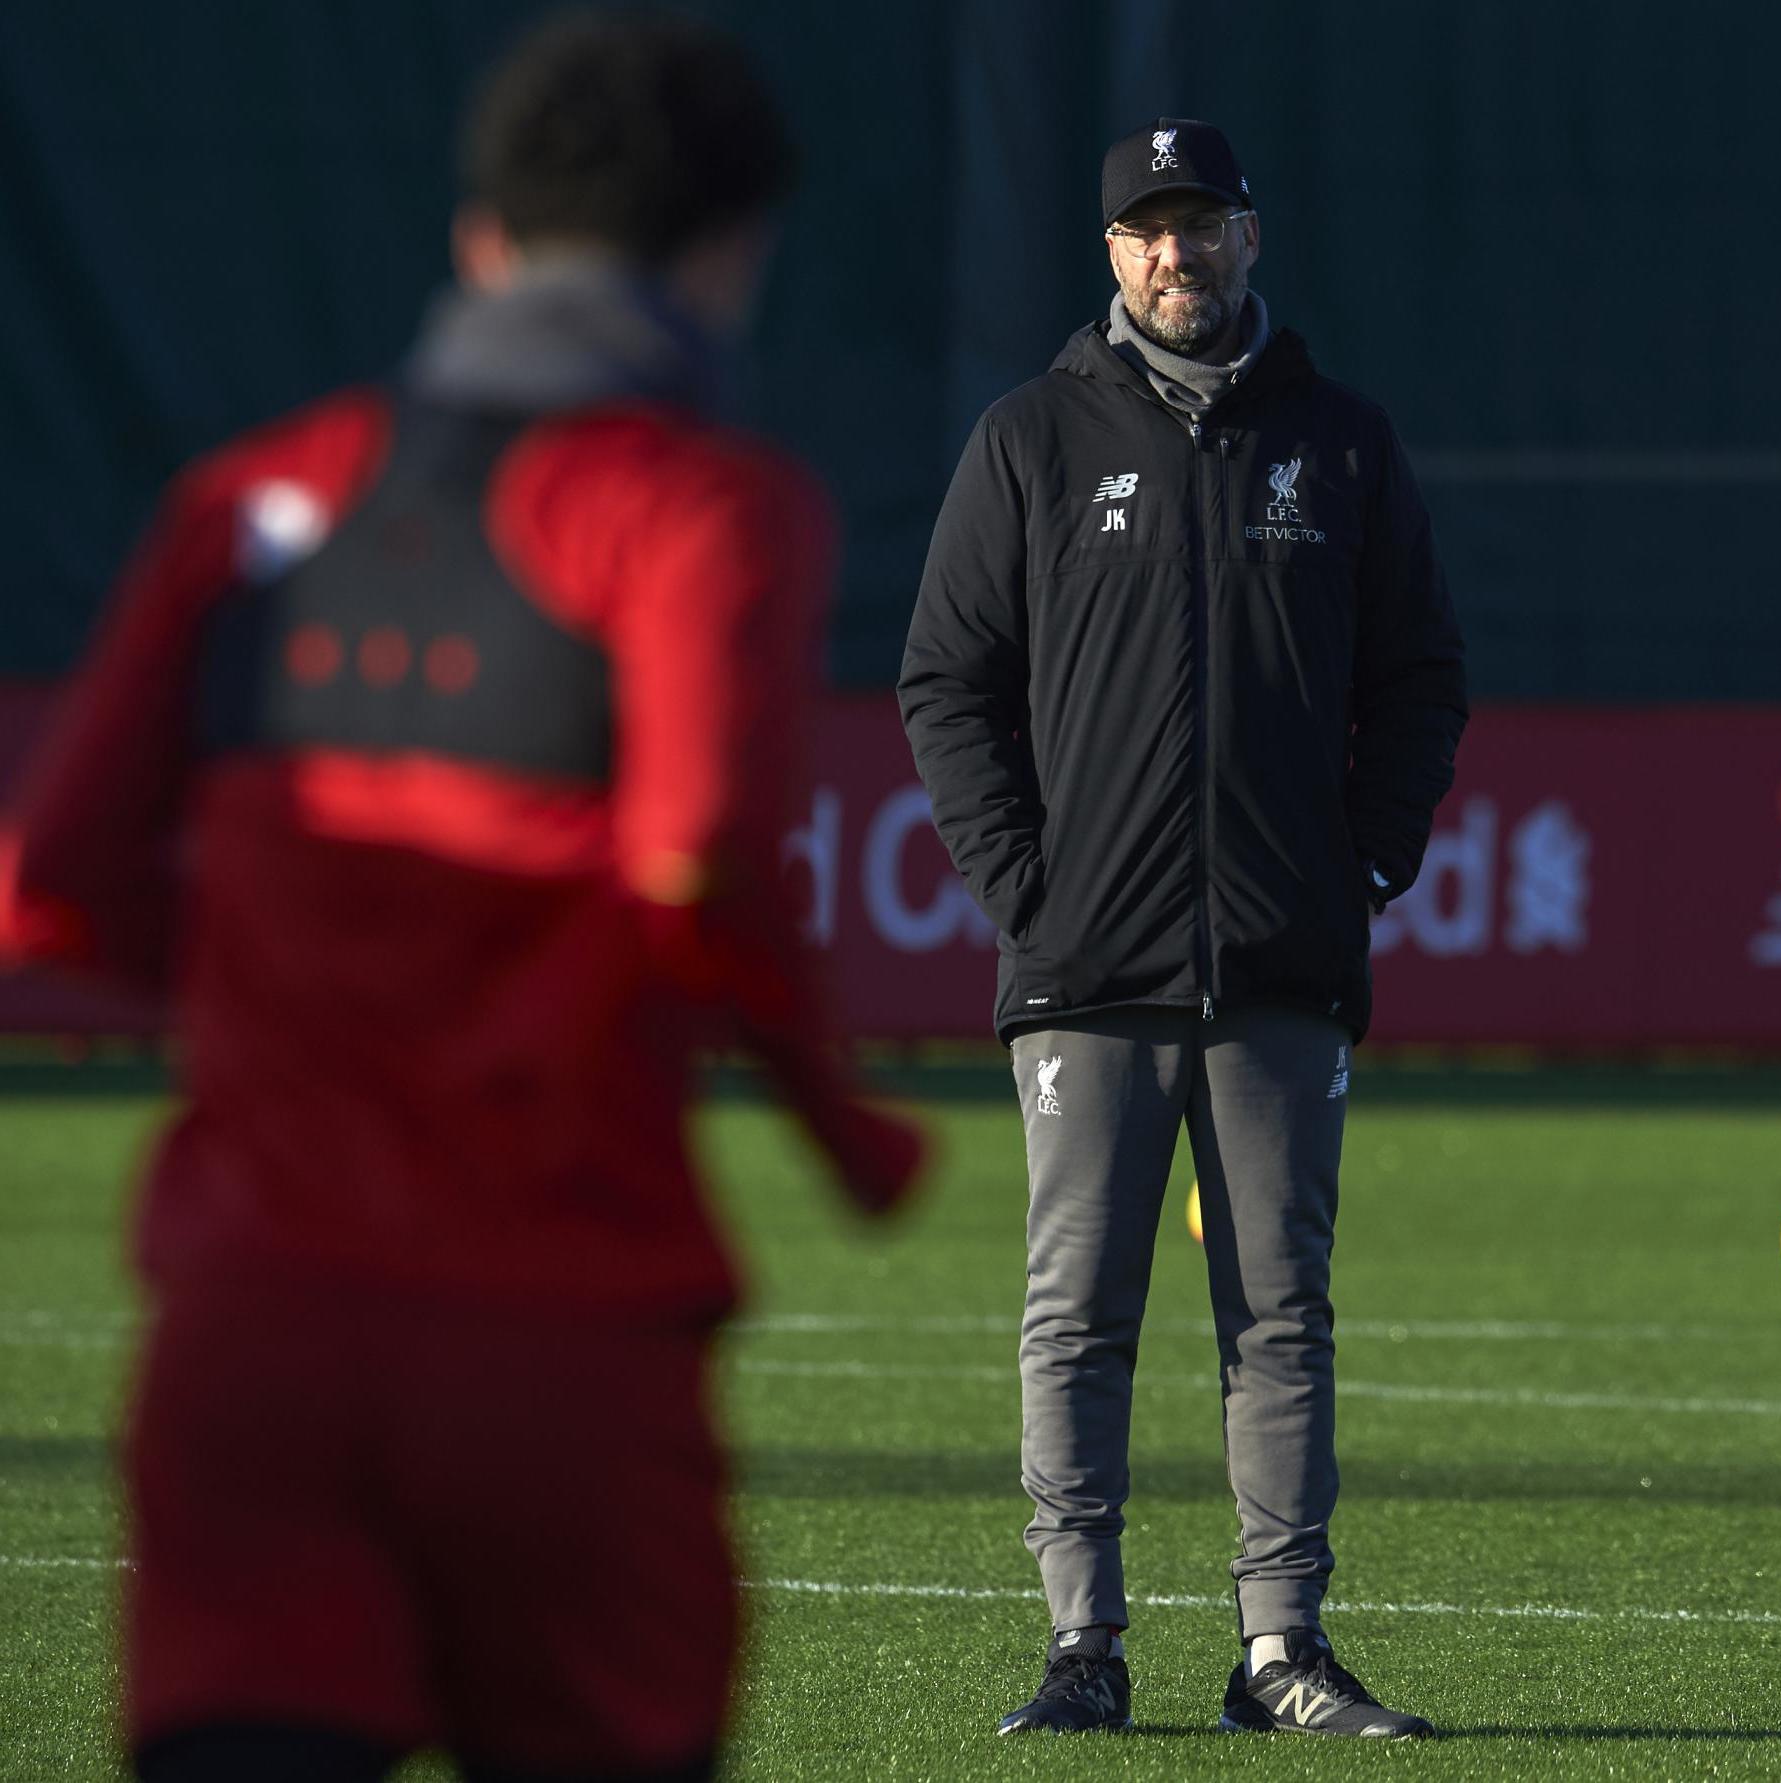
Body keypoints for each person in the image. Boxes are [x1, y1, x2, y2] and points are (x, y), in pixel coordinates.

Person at [0, 16, 926, 1782]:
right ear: (732, 255)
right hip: (558, 1344)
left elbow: (44, 887)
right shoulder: (700, 507)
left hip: (252, 1335)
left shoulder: (246, 498)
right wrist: (841, 1129)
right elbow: (701, 856)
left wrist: (291, 988)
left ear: (479, 239)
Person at [900, 117, 1465, 1739]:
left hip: (1280, 963)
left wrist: (1362, 866)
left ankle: (1278, 1652)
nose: (1175, 252)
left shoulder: (1338, 443)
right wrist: (1026, 887)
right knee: (1078, 1319)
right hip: (1086, 968)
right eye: (1146, 228)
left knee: (1278, 1314)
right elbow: (946, 681)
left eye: (1200, 221)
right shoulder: (1032, 438)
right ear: (1109, 254)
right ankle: (1082, 1648)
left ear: (1247, 236)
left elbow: (1419, 675)